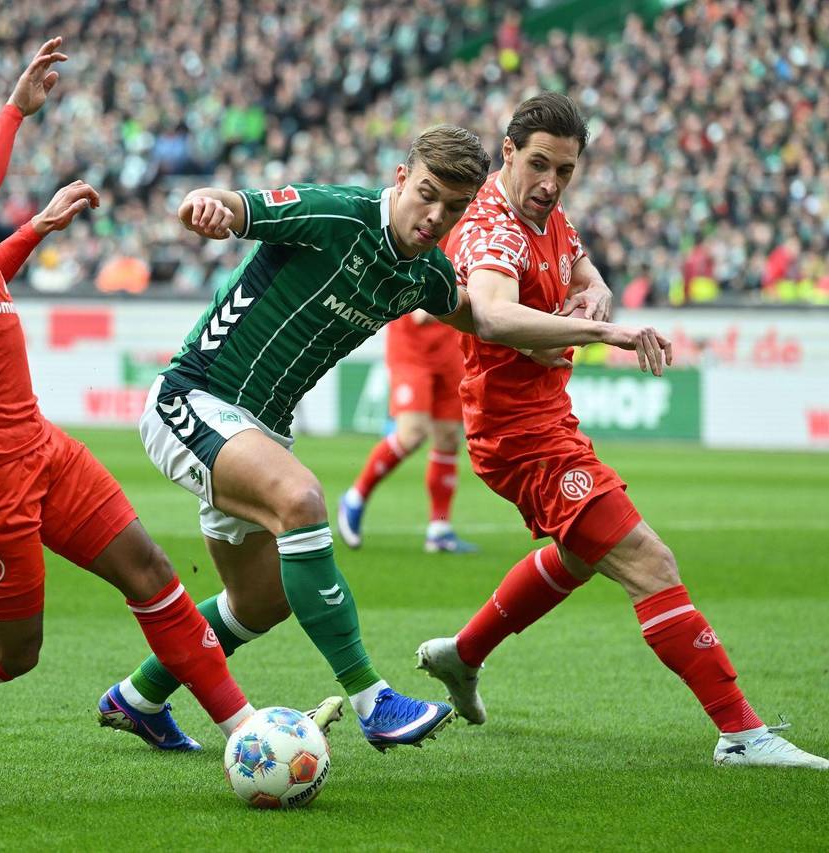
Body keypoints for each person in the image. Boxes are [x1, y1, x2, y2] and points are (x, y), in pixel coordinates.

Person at [0, 39, 333, 788]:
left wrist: (36, 229)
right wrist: (15, 112)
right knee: (11, 652)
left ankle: (243, 729)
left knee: (149, 570)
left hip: (38, 448)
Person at [98, 122, 676, 754]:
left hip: (259, 430)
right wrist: (204, 203)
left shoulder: (425, 272)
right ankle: (373, 700)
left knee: (259, 603)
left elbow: (483, 317)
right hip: (194, 398)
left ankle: (138, 697)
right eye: (426, 195)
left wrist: (567, 322)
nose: (435, 217)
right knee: (301, 501)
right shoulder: (336, 214)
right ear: (401, 179)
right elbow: (236, 205)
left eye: (453, 208)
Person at [415, 92, 827, 769]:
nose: (550, 183)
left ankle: (464, 653)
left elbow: (583, 269)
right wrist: (605, 331)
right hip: (519, 438)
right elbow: (490, 312)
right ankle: (741, 734)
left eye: (565, 171)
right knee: (649, 561)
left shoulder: (545, 212)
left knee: (580, 556)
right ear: (508, 152)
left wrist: (598, 291)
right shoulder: (492, 229)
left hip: (548, 422)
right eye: (538, 165)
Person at [337, 312, 477, 553]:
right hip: (411, 350)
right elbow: (424, 313)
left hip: (451, 349)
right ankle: (355, 498)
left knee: (448, 437)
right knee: (412, 433)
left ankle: (439, 529)